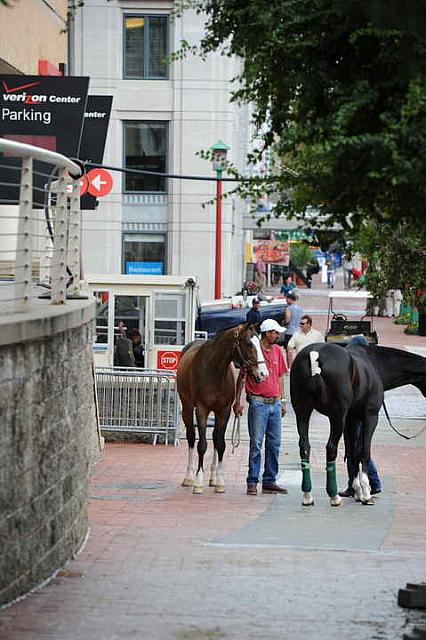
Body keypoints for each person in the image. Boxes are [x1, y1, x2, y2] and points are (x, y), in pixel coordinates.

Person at [233, 318, 289, 495]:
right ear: (267, 333)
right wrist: (238, 401)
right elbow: (242, 377)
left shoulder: (278, 351)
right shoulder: (254, 352)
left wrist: (283, 400)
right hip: (258, 402)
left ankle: (269, 480)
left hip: (274, 402)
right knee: (256, 443)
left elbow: (280, 376)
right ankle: (252, 480)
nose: (277, 335)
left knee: (275, 444)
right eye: (274, 332)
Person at [339, 334, 382, 497]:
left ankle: (366, 483)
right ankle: (362, 483)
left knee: (357, 449)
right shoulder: (368, 368)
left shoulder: (360, 370)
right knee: (357, 449)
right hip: (361, 415)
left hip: (358, 417)